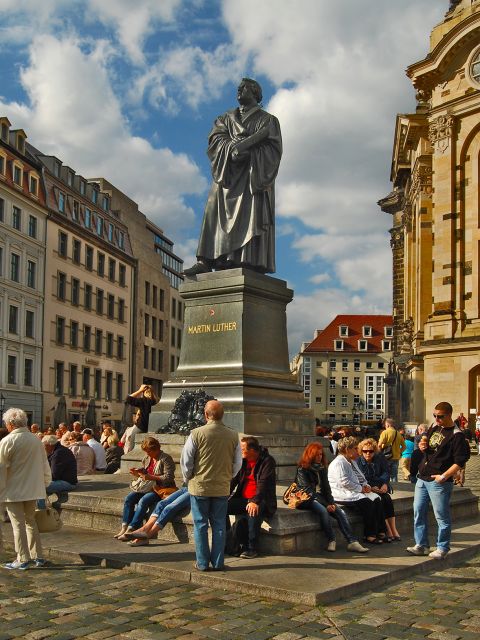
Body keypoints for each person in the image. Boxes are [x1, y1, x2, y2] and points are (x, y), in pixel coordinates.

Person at [183, 78, 282, 276]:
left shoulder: (268, 120)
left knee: (250, 211)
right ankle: (206, 259)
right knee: (212, 207)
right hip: (226, 174)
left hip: (252, 176)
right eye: (238, 88)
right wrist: (230, 148)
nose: (239, 90)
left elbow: (274, 150)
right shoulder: (225, 118)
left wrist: (250, 153)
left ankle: (247, 259)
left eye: (244, 87)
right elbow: (215, 140)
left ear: (255, 92)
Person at [180, 400, 242, 571]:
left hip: (200, 485)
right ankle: (218, 561)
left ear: (206, 415)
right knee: (219, 525)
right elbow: (237, 463)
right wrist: (228, 477)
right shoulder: (233, 435)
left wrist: (189, 477)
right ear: (223, 415)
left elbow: (186, 461)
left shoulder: (196, 433)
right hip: (221, 487)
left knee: (200, 524)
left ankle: (202, 562)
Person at [407, 401, 470, 559]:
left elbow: (460, 462)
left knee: (441, 516)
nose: (436, 419)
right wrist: (423, 446)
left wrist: (444, 476)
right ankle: (421, 545)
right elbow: (429, 446)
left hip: (439, 481)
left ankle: (442, 547)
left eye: (440, 416)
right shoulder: (435, 427)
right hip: (423, 477)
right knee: (418, 511)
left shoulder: (457, 435)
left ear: (449, 415)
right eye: (434, 416)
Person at [0, 408, 51, 570]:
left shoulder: (7, 441)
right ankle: (38, 556)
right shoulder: (36, 440)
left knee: (18, 525)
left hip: (13, 490)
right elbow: (45, 464)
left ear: (10, 424)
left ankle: (22, 558)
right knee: (31, 522)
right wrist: (45, 483)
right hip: (33, 488)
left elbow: (1, 468)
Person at [294, 442, 368, 553]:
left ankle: (352, 542)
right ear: (311, 455)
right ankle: (331, 540)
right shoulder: (302, 469)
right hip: (304, 497)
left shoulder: (322, 467)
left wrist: (331, 502)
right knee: (323, 511)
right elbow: (307, 490)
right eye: (317, 455)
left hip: (318, 496)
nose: (320, 457)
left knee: (340, 511)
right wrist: (326, 504)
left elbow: (326, 487)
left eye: (321, 455)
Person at [328, 436, 386, 545]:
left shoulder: (351, 461)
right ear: (347, 450)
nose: (357, 451)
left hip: (355, 490)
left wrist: (366, 486)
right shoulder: (339, 463)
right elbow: (344, 482)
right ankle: (369, 535)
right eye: (355, 448)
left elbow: (360, 477)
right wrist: (361, 489)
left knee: (377, 500)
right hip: (342, 493)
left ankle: (381, 531)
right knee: (367, 503)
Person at [116, 437, 176, 540]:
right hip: (146, 487)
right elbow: (146, 472)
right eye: (146, 451)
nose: (147, 454)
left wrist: (151, 477)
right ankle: (124, 526)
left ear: (156, 449)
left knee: (143, 501)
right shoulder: (146, 458)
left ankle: (132, 528)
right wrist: (138, 473)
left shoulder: (166, 458)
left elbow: (169, 477)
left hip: (160, 488)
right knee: (129, 499)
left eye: (149, 451)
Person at [227, 436, 277, 559]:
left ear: (252, 450)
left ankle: (252, 548)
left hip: (262, 499)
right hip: (243, 498)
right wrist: (223, 495)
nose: (239, 451)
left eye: (242, 448)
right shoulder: (242, 461)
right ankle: (228, 542)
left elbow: (263, 484)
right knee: (221, 507)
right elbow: (234, 480)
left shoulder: (267, 461)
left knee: (253, 510)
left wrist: (255, 501)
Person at [357, 438, 401, 541]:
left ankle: (393, 529)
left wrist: (385, 484)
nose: (368, 453)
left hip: (380, 486)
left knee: (387, 499)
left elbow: (386, 472)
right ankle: (387, 530)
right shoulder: (358, 461)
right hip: (368, 488)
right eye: (365, 451)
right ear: (361, 451)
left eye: (371, 451)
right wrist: (372, 487)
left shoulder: (379, 458)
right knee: (380, 500)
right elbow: (363, 478)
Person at [121, 486, 191, 546]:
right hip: (186, 487)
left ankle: (147, 536)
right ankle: (144, 529)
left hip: (195, 490)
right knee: (161, 504)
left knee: (169, 508)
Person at [42, 435, 78, 506]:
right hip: (65, 480)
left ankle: (41, 508)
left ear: (49, 445)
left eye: (44, 446)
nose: (43, 448)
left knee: (40, 487)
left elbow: (54, 475)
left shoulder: (58, 453)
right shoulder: (59, 450)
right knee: (39, 485)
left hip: (68, 483)